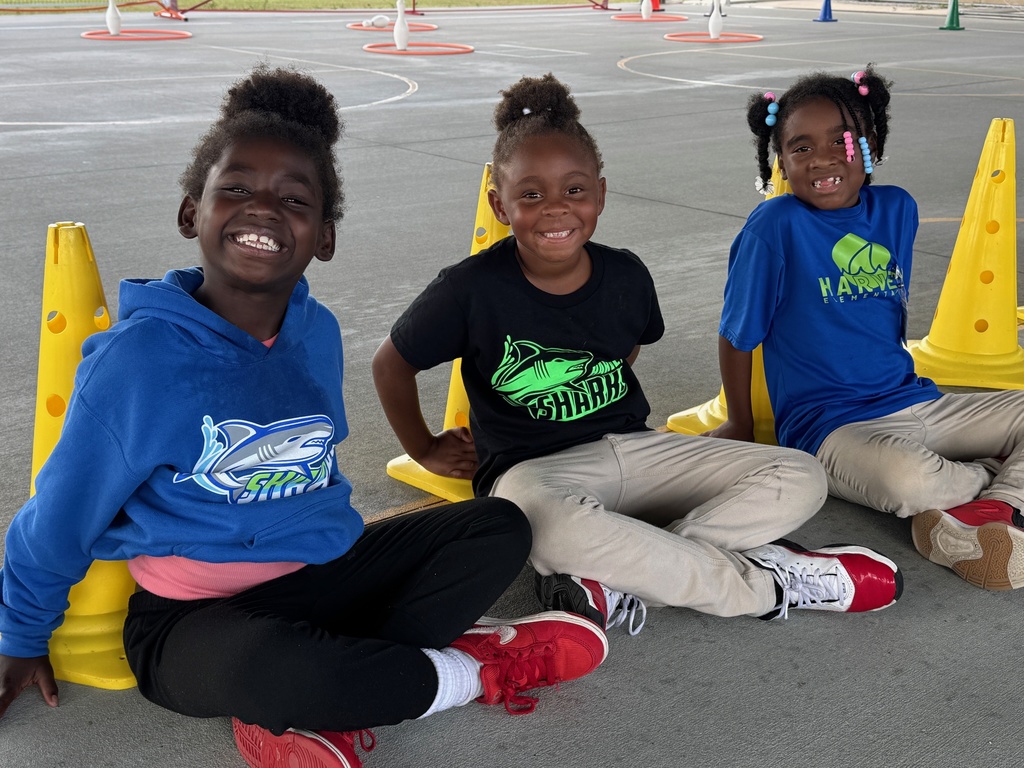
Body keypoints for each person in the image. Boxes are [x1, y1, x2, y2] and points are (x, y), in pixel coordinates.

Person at [0, 66, 611, 768]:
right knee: (268, 665)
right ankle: (469, 671)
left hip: (325, 577)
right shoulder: (137, 361)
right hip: (195, 621)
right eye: (236, 189)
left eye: (293, 199)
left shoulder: (316, 332)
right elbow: (59, 516)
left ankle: (324, 695)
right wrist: (19, 639)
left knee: (498, 526)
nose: (262, 209)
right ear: (191, 213)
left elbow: (316, 471)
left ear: (324, 236)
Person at [372, 72, 903, 642]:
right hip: (534, 472)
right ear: (498, 205)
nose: (555, 209)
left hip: (637, 449)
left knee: (800, 475)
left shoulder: (626, 274)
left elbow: (625, 349)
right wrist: (424, 448)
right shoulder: (468, 289)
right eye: (531, 195)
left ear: (600, 194)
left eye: (574, 190)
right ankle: (769, 584)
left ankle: (619, 575)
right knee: (541, 530)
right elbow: (391, 364)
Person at [712, 65, 1024, 591]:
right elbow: (737, 333)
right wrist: (740, 422)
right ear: (781, 161)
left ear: (871, 143)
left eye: (842, 140)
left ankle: (986, 508)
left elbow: (885, 310)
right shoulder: (775, 225)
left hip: (919, 402)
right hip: (832, 427)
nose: (823, 158)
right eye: (801, 148)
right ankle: (995, 484)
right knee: (908, 479)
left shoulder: (898, 208)